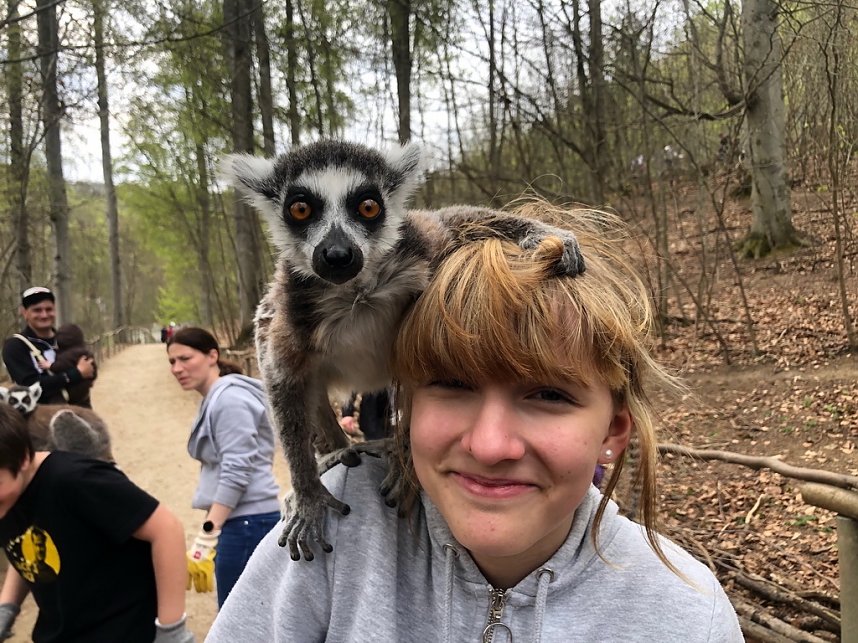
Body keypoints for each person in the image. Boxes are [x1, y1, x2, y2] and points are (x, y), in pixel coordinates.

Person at [207, 203, 744, 641]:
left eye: (550, 395)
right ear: (407, 402)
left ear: (612, 431)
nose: (490, 445)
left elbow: (445, 221)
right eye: (452, 385)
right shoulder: (338, 535)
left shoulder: (686, 619)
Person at [0, 404, 194, 642]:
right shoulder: (7, 498)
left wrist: (172, 630)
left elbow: (166, 528)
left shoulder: (72, 479)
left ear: (21, 459)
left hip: (122, 629)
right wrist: (7, 607)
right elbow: (23, 546)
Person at [166, 327, 281, 608]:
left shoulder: (229, 400)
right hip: (242, 522)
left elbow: (237, 470)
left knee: (240, 621)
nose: (177, 368)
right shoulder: (218, 396)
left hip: (248, 524)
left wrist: (208, 532)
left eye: (185, 358)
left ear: (212, 356)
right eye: (172, 362)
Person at [2, 287, 95, 406]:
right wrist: (75, 374)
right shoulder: (15, 346)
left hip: (81, 410)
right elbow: (30, 386)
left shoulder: (67, 339)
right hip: (40, 419)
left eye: (49, 309)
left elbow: (88, 370)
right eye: (37, 310)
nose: (44, 315)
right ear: (25, 313)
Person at [47, 324, 98, 408]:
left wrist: (50, 366)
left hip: (72, 391)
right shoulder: (85, 352)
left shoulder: (66, 355)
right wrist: (91, 379)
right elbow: (93, 368)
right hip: (84, 391)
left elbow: (59, 367)